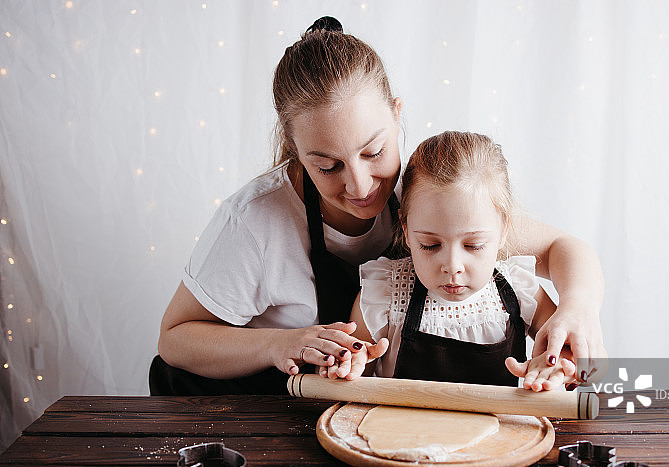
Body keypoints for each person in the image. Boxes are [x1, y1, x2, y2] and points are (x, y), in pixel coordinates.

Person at [150, 16, 606, 395]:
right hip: (255, 408)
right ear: (294, 147)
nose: (361, 184)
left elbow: (564, 247)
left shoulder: (427, 197)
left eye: (373, 152)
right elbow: (175, 340)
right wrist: (277, 345)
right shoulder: (255, 221)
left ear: (396, 113)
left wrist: (578, 308)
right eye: (327, 166)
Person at [321, 131, 591, 390]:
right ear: (405, 227)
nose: (452, 266)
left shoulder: (521, 290)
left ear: (503, 230)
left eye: (473, 245)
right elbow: (353, 382)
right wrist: (347, 368)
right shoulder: (384, 294)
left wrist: (558, 368)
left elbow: (578, 365)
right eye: (430, 245)